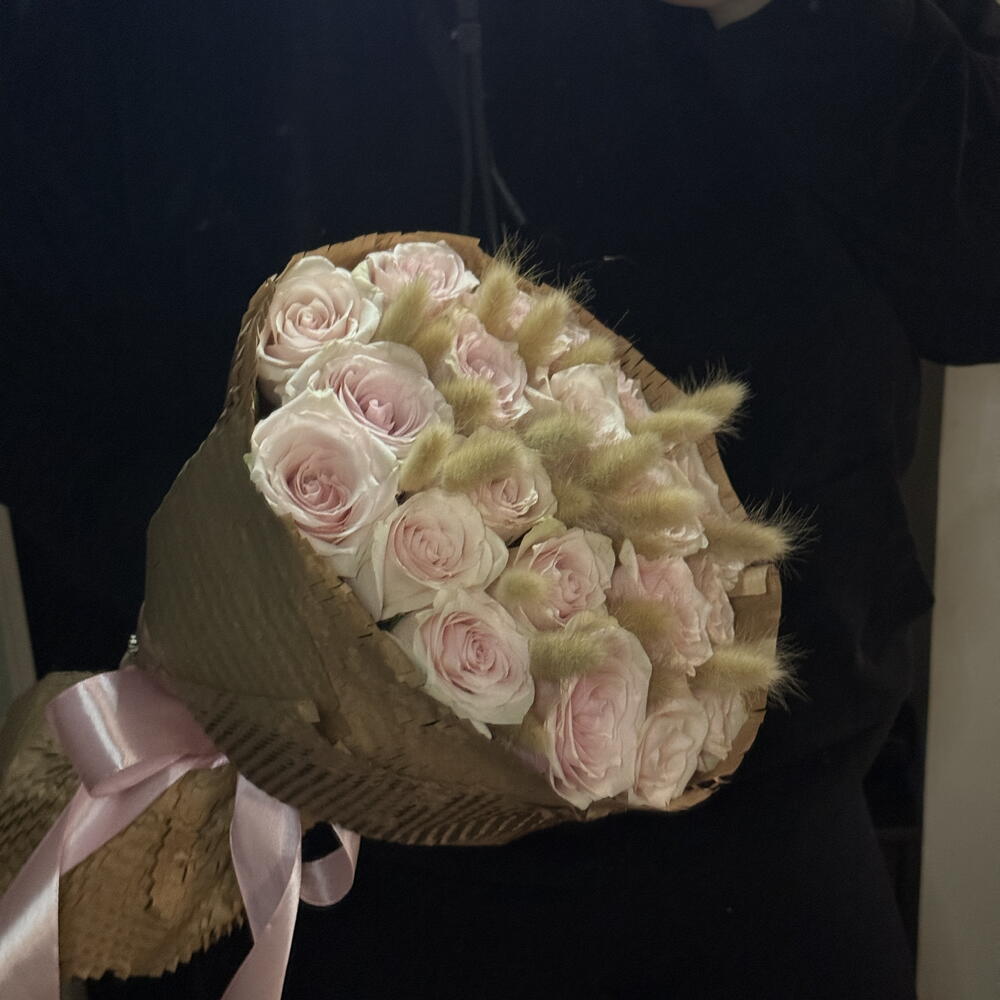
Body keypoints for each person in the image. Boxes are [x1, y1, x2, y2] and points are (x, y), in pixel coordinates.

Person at [2, 1, 998, 997]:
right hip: (279, 824)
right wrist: (250, 614)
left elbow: (974, 270)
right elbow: (46, 380)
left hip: (748, 805)